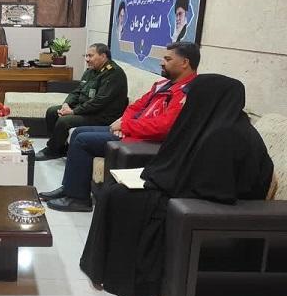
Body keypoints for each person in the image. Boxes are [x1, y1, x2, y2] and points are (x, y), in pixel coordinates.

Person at [80, 74, 273, 296]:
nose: (183, 101)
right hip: (192, 193)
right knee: (115, 191)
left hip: (210, 208)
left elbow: (215, 189)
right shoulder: (213, 123)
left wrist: (159, 182)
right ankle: (106, 269)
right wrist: (157, 177)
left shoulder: (228, 135)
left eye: (189, 97)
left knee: (121, 197)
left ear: (208, 98)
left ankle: (130, 280)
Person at [40, 42, 200, 211]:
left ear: (185, 62)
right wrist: (124, 124)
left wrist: (126, 126)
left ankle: (78, 199)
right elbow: (135, 106)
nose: (162, 62)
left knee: (82, 141)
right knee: (78, 132)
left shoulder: (188, 92)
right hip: (131, 131)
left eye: (167, 59)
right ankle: (69, 188)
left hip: (144, 141)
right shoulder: (163, 85)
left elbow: (165, 127)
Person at [35, 43, 128, 161]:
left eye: (90, 56)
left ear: (103, 56)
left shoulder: (114, 74)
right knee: (52, 111)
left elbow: (99, 102)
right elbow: (77, 91)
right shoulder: (91, 71)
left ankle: (52, 151)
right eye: (86, 55)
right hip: (87, 109)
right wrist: (66, 104)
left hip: (102, 115)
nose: (87, 59)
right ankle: (60, 147)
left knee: (64, 121)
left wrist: (73, 112)